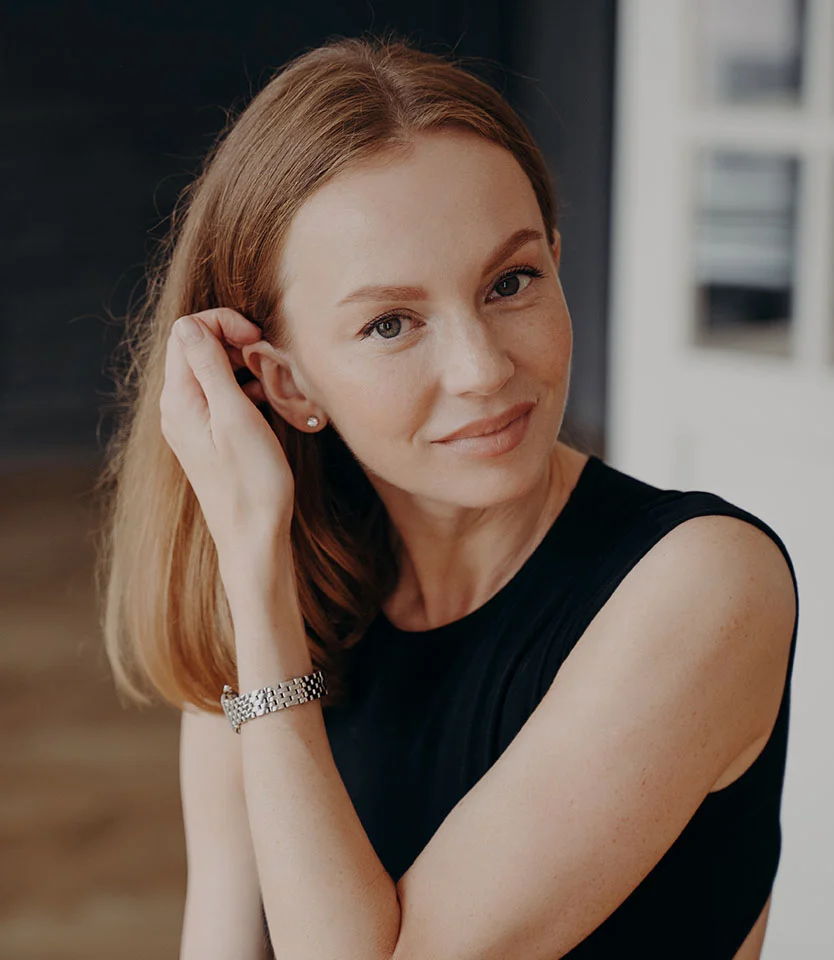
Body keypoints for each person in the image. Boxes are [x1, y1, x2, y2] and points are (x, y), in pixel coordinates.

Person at [95, 32, 799, 960]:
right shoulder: (279, 591)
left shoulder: (706, 584)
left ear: (556, 260)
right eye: (391, 322)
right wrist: (254, 570)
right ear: (286, 383)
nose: (481, 369)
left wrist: (256, 596)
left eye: (511, 282)